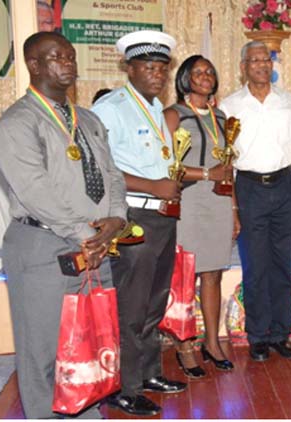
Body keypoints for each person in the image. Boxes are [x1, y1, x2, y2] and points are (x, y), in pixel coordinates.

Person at [0, 32, 127, 418]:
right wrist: (88, 235)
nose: (68, 62)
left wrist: (116, 220)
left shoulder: (89, 119)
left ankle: (86, 414)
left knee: (90, 345)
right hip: (43, 247)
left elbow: (113, 175)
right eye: (56, 57)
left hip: (96, 248)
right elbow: (36, 192)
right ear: (34, 65)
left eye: (70, 55)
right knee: (45, 354)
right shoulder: (16, 124)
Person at [92, 30, 185, 416]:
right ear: (128, 67)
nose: (157, 74)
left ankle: (148, 373)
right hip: (133, 217)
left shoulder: (154, 105)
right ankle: (124, 387)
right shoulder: (110, 109)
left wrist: (169, 184)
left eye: (162, 68)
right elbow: (102, 167)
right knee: (131, 306)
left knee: (154, 302)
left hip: (162, 216)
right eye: (148, 66)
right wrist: (154, 184)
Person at [219, 41, 291, 362]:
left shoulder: (289, 102)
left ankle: (280, 334)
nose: (261, 65)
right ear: (243, 66)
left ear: (272, 65)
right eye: (253, 60)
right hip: (249, 189)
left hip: (285, 186)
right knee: (255, 264)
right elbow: (227, 160)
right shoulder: (230, 106)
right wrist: (231, 206)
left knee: (284, 264)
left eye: (265, 59)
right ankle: (257, 335)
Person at [163, 55, 237, 377]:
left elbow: (228, 168)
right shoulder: (173, 115)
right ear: (185, 79)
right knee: (185, 277)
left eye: (210, 71)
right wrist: (208, 173)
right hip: (188, 203)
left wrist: (234, 209)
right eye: (198, 72)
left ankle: (212, 341)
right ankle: (185, 345)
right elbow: (165, 167)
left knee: (213, 275)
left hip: (219, 204)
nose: (205, 76)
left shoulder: (222, 117)